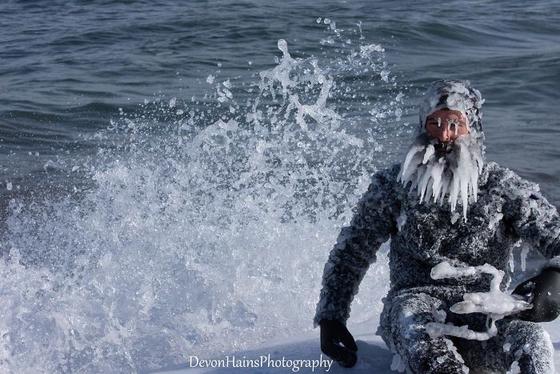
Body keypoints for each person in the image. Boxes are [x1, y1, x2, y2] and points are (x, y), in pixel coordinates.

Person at [314, 80, 560, 373]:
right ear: (422, 125)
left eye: (455, 124)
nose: (444, 135)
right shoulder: (394, 187)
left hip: (486, 311)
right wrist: (332, 316)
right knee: (416, 325)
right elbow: (353, 250)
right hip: (413, 307)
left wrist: (555, 280)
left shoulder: (502, 188)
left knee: (533, 340)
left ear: (474, 130)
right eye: (435, 123)